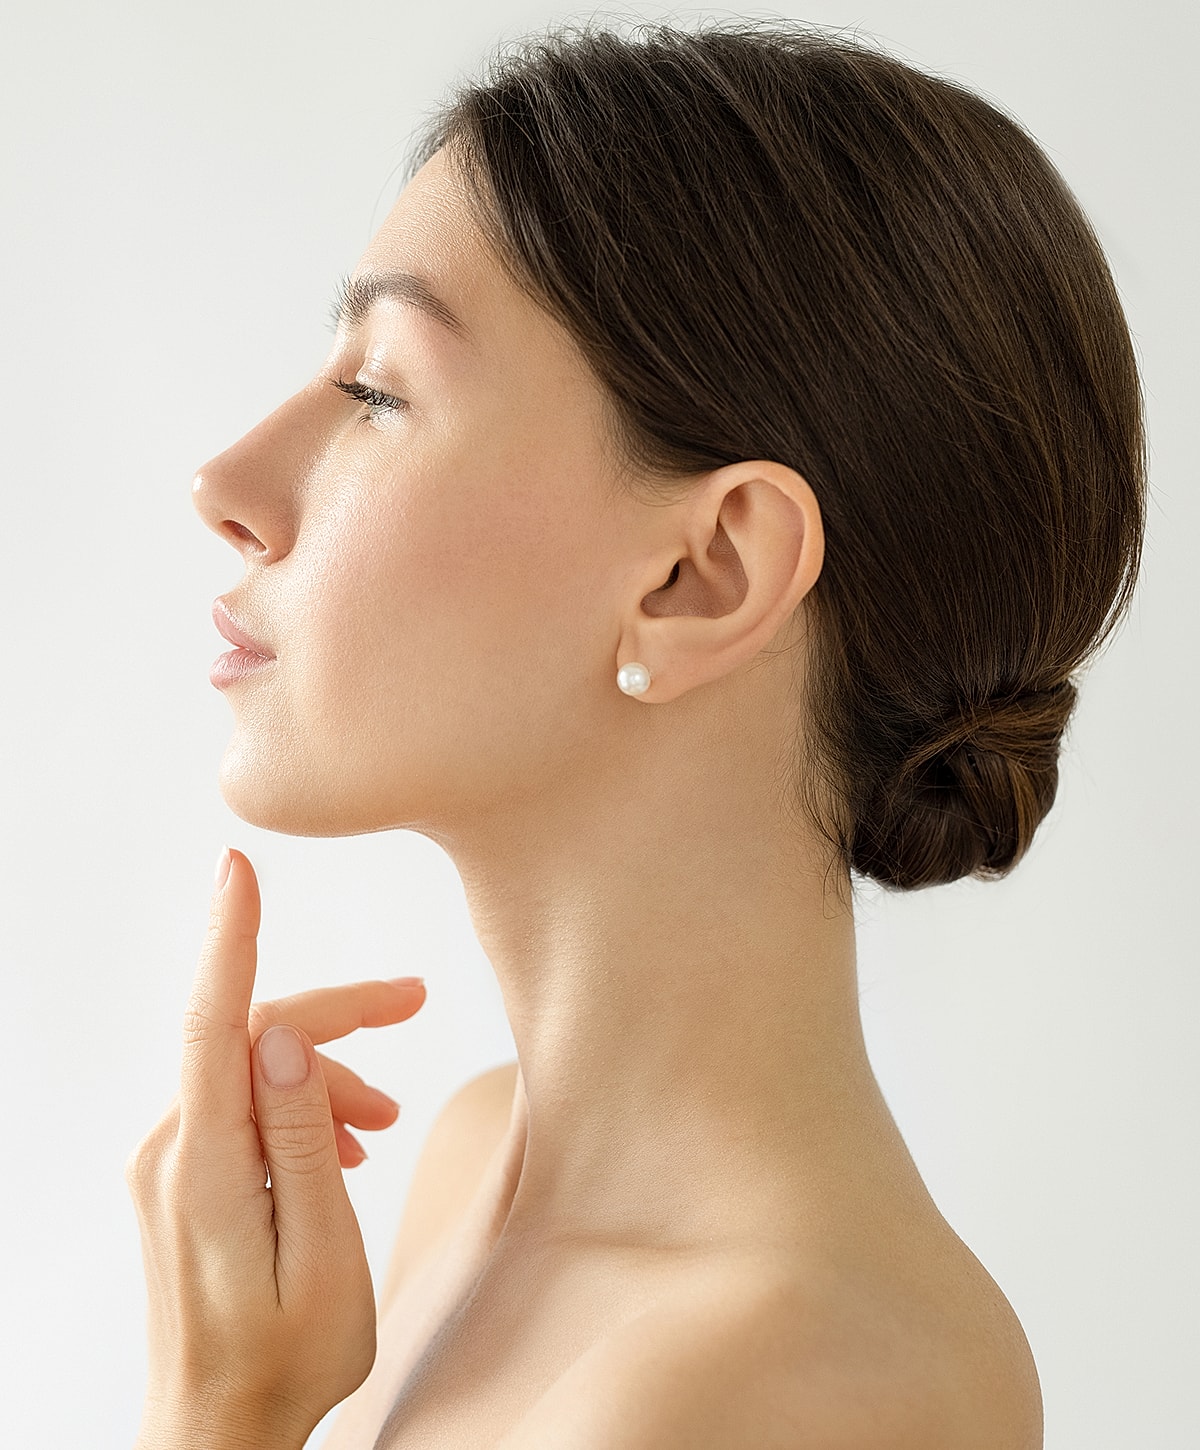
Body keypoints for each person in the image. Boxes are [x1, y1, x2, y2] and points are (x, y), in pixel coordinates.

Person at [125, 20, 1145, 1450]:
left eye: (377, 390)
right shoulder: (470, 1168)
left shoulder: (807, 1387)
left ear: (702, 573)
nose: (225, 484)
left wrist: (215, 1413)